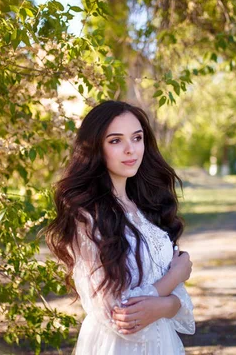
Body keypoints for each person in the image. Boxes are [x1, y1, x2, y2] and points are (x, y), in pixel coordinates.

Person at [45, 100, 195, 354]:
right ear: (95, 148)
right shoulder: (87, 216)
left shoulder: (145, 207)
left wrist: (167, 304)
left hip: (163, 343)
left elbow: (178, 303)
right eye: (115, 141)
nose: (130, 149)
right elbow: (118, 314)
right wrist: (174, 279)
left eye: (137, 138)